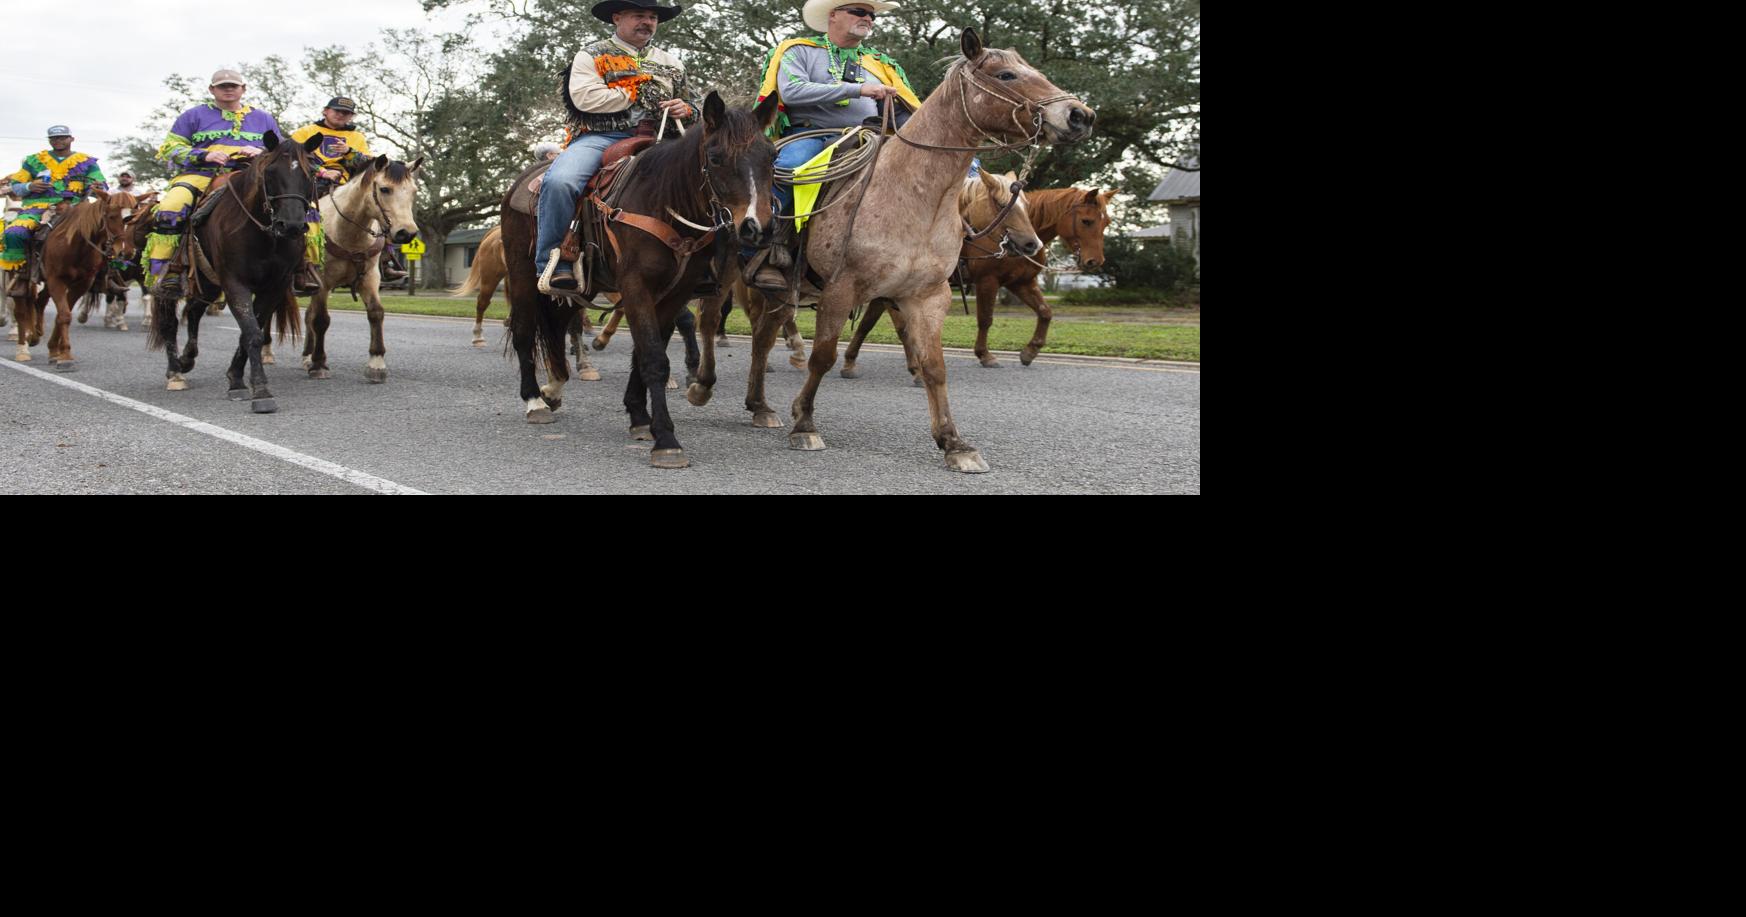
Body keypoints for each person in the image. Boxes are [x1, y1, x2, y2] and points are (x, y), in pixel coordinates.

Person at [747, 1, 921, 288]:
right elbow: (791, 91)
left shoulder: (881, 64)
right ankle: (767, 252)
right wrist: (858, 89)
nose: (868, 18)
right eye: (859, 11)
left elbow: (904, 113)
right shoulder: (799, 50)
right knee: (787, 169)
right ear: (833, 16)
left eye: (871, 15)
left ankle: (917, 255)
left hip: (868, 137)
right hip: (812, 135)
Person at [537, 0, 702, 292]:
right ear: (617, 17)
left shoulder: (672, 62)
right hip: (603, 137)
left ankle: (707, 265)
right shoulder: (592, 54)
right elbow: (584, 97)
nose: (647, 22)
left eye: (652, 17)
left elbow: (694, 103)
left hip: (663, 139)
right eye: (639, 15)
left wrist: (685, 109)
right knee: (561, 181)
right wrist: (637, 92)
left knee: (716, 177)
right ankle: (554, 262)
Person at [146, 69, 286, 300]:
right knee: (171, 206)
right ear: (212, 90)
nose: (228, 89)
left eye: (233, 85)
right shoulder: (192, 116)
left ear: (243, 89)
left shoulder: (263, 118)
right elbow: (170, 148)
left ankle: (299, 268)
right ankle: (168, 271)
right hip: (201, 174)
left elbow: (283, 150)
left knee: (296, 204)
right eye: (222, 86)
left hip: (250, 175)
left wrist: (261, 151)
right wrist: (204, 155)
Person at [3, 125, 110, 293]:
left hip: (76, 209)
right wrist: (30, 186)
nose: (58, 141)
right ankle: (21, 277)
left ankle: (106, 277)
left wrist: (96, 186)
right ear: (49, 140)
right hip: (37, 208)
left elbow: (102, 186)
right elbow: (15, 186)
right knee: (14, 233)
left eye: (62, 137)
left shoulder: (87, 162)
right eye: (54, 138)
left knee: (107, 232)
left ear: (71, 139)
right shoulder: (33, 160)